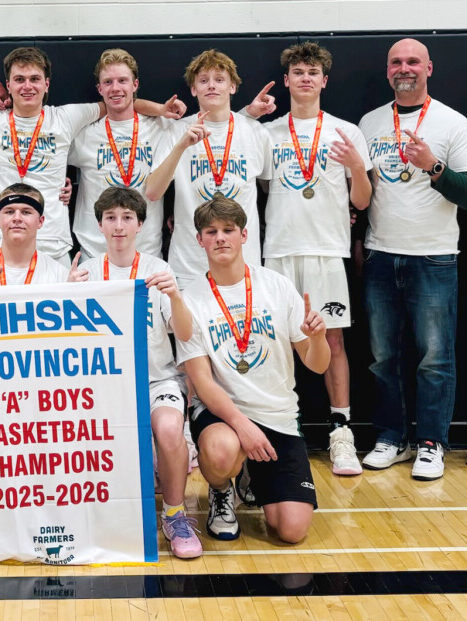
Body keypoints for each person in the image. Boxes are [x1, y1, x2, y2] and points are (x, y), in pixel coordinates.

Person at [0, 46, 182, 265]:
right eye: (19, 79)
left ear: (47, 84)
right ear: (8, 84)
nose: (27, 86)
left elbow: (116, 102)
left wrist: (159, 110)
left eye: (34, 78)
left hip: (52, 239)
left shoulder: (67, 117)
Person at [357, 38, 467, 480]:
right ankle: (392, 438)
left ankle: (431, 443)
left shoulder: (453, 123)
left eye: (412, 61)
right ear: (387, 71)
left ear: (429, 67)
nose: (404, 68)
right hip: (380, 254)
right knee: (382, 357)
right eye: (396, 62)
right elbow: (361, 188)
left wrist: (433, 166)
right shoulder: (370, 122)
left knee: (434, 358)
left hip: (434, 258)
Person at [178, 197, 329, 544]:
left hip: (276, 414)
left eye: (228, 230)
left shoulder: (276, 286)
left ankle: (251, 473)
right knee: (220, 451)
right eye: (211, 231)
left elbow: (316, 364)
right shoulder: (190, 299)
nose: (220, 238)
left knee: (291, 530)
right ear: (199, 240)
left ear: (244, 235)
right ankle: (221, 492)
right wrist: (242, 425)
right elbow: (201, 381)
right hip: (224, 414)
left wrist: (318, 339)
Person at [69, 187, 199, 558]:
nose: (119, 226)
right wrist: (67, 295)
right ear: (99, 225)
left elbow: (186, 335)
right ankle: (96, 513)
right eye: (111, 218)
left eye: (127, 218)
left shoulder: (158, 269)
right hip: (102, 383)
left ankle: (174, 514)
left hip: (156, 379)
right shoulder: (86, 273)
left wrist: (175, 297)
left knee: (171, 429)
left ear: (141, 224)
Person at [261, 42, 372, 476]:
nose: (305, 78)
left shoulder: (346, 132)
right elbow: (267, 189)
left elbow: (361, 201)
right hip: (280, 251)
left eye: (313, 72)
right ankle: (279, 427)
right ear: (286, 80)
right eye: (298, 72)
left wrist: (357, 168)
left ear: (324, 81)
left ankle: (340, 431)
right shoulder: (268, 133)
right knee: (277, 342)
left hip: (327, 251)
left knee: (332, 342)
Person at [145, 49, 272, 288]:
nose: (211, 86)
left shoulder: (256, 131)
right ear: (194, 89)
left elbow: (269, 185)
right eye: (203, 81)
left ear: (232, 86)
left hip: (243, 261)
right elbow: (152, 192)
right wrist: (181, 146)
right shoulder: (175, 131)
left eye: (219, 80)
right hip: (190, 263)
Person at [67, 49, 177, 258]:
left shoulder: (161, 127)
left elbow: (212, 124)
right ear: (99, 89)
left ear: (135, 85)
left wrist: (248, 113)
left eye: (122, 81)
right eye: (108, 82)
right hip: (95, 255)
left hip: (146, 254)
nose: (115, 88)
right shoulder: (85, 134)